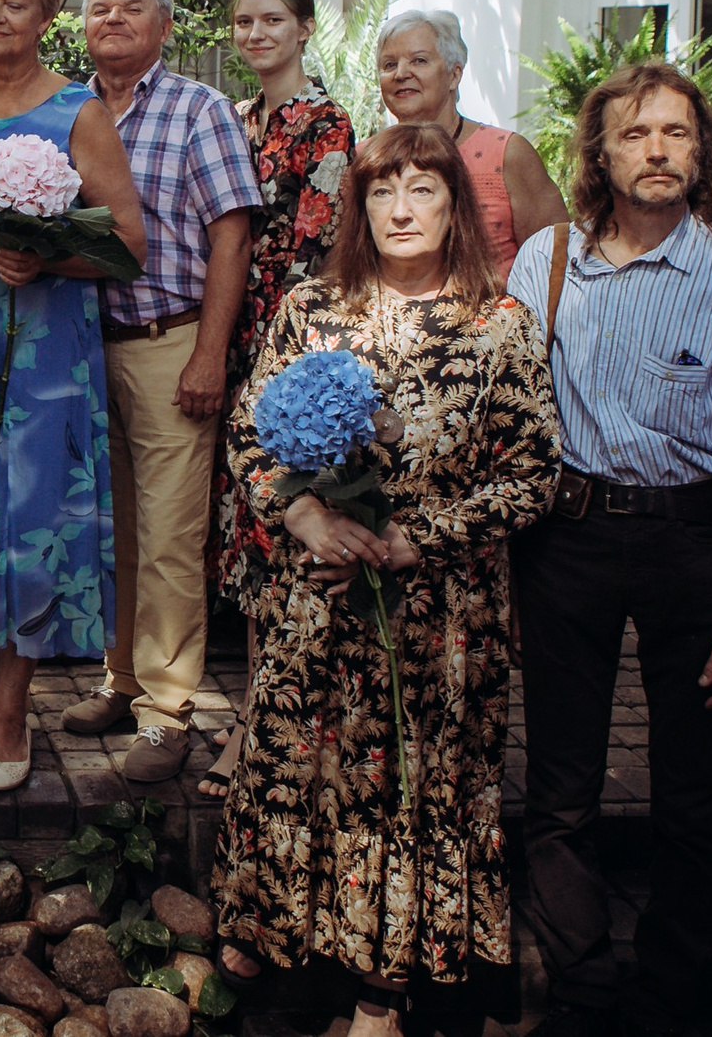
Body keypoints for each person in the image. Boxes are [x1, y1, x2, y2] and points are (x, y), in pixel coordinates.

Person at [212, 123, 559, 1037]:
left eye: (424, 190)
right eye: (382, 191)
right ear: (359, 207)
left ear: (456, 206)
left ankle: (383, 991)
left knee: (406, 788)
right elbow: (248, 434)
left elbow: (533, 475)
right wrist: (305, 516)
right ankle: (268, 929)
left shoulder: (500, 322)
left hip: (437, 615)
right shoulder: (310, 308)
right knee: (294, 762)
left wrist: (419, 539)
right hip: (316, 598)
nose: (402, 209)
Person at [505, 61, 712, 1037]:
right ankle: (582, 984)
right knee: (559, 790)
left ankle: (669, 994)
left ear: (703, 150)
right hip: (567, 540)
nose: (657, 151)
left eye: (676, 132)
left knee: (692, 792)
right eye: (634, 134)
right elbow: (508, 423)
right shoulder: (546, 260)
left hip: (699, 541)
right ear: (599, 153)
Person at [0, 0, 146, 792]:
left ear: (47, 17)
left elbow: (129, 245)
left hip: (45, 350)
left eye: (14, 4)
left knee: (29, 518)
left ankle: (14, 709)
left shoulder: (77, 112)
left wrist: (48, 256)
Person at [55, 0, 261, 783]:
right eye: (99, 8)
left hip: (170, 340)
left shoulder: (198, 109)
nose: (111, 19)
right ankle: (121, 679)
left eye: (131, 8)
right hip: (82, 343)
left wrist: (210, 352)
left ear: (165, 25)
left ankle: (167, 712)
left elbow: (232, 235)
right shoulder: (68, 109)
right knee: (111, 530)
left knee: (172, 535)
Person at [199, 0, 355, 799]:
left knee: (278, 535)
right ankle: (260, 712)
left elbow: (316, 250)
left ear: (304, 28)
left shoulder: (325, 124)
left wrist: (275, 360)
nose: (256, 33)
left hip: (286, 349)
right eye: (244, 20)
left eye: (272, 19)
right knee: (242, 540)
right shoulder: (233, 118)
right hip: (224, 336)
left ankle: (267, 725)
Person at [376, 8, 563, 275]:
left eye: (419, 61)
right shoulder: (366, 159)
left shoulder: (507, 154)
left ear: (454, 75)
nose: (401, 73)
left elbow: (556, 260)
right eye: (389, 65)